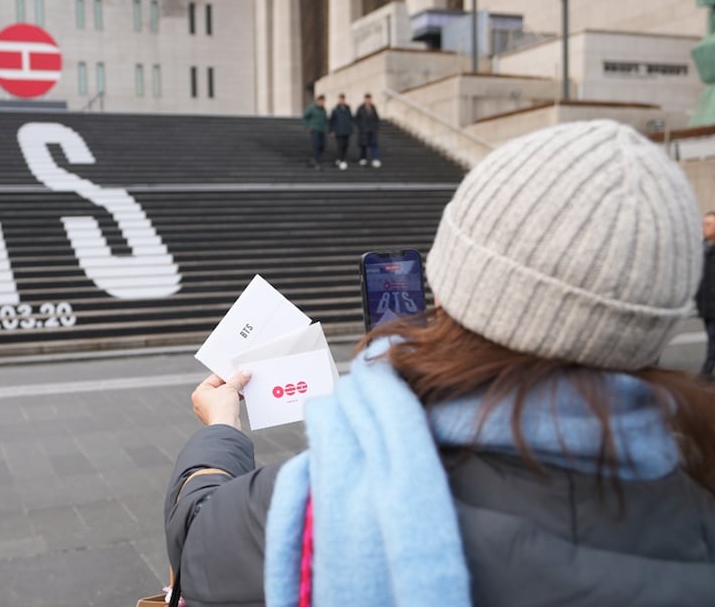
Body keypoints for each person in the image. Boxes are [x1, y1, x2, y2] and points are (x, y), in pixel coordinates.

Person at [164, 120, 715, 607]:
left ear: (451, 294)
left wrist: (221, 432)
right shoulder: (698, 498)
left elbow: (198, 544)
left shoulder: (342, 496)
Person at [697, 211, 715, 374]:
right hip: (706, 307)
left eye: (709, 224)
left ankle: (705, 377)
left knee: (712, 346)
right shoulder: (701, 250)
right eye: (704, 223)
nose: (704, 227)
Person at [329, 93, 355, 170]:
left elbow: (350, 119)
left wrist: (351, 129)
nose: (341, 101)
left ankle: (342, 158)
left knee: (346, 145)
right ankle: (341, 159)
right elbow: (332, 121)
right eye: (340, 99)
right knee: (340, 145)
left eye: (342, 99)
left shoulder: (348, 109)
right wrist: (331, 130)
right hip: (339, 131)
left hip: (346, 131)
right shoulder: (335, 110)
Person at [355, 92, 381, 167]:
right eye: (366, 99)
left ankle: (375, 159)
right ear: (364, 99)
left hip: (372, 130)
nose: (368, 100)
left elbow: (376, 118)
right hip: (364, 130)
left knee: (374, 145)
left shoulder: (373, 107)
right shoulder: (361, 108)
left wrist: (376, 127)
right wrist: (361, 127)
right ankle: (363, 158)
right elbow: (357, 118)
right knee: (363, 145)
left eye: (369, 99)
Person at [302, 94, 328, 170]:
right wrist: (308, 126)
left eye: (323, 101)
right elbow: (305, 117)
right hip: (315, 129)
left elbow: (324, 119)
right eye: (321, 101)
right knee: (317, 145)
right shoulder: (312, 108)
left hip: (322, 130)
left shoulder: (323, 109)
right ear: (318, 101)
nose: (322, 103)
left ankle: (315, 159)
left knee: (322, 146)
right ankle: (317, 162)